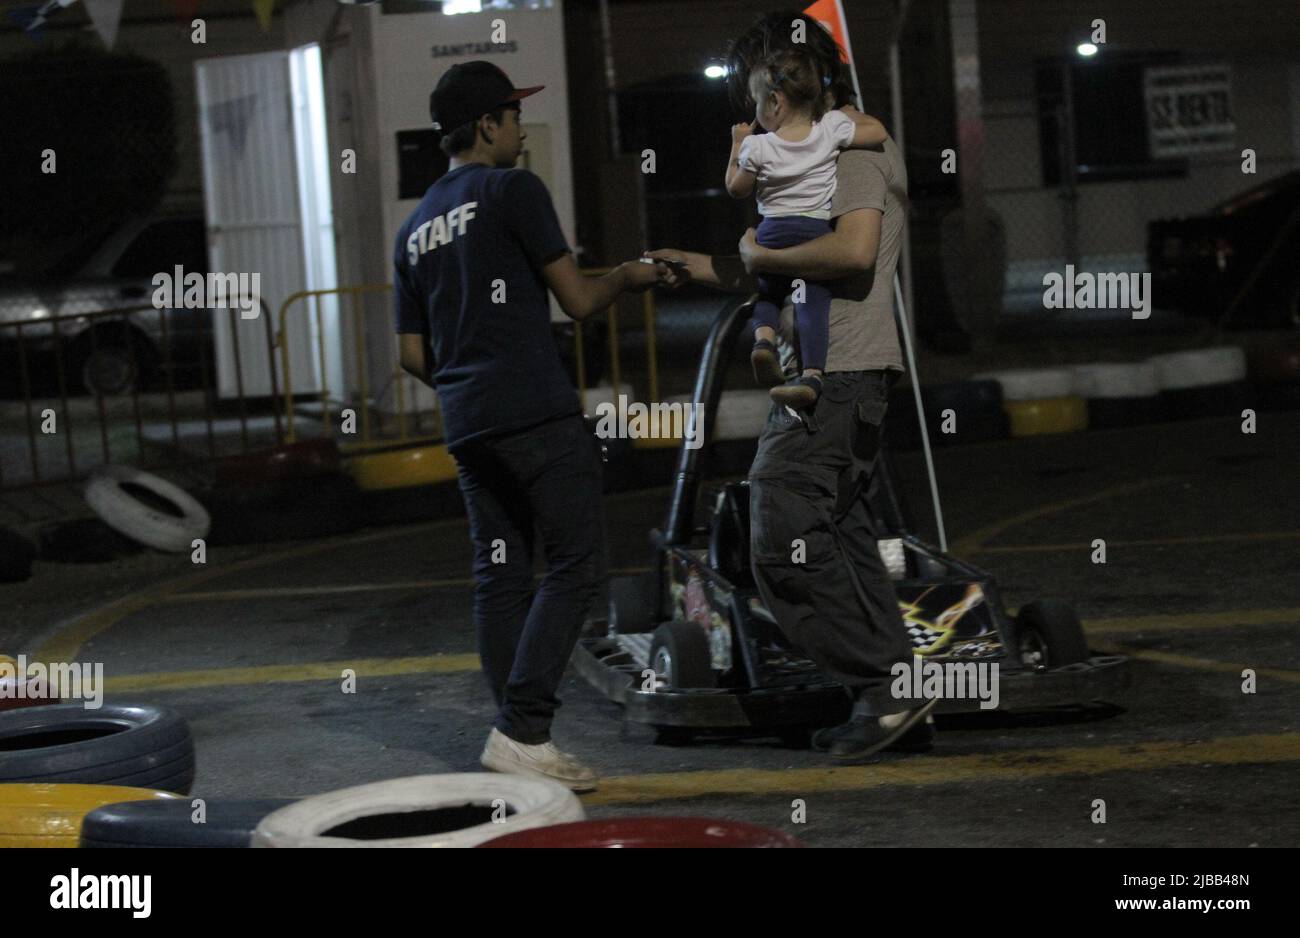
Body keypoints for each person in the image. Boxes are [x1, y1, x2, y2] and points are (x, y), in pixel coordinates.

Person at [648, 11, 934, 763]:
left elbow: (851, 250)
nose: (751, 115)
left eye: (761, 93)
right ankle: (889, 695)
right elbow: (782, 257)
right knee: (841, 536)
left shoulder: (853, 153)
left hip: (836, 372)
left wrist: (754, 251)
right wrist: (703, 266)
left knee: (778, 530)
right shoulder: (815, 155)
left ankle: (885, 683)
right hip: (843, 373)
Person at [394, 60, 667, 791]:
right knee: (578, 566)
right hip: (534, 412)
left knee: (502, 577)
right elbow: (577, 301)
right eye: (513, 115)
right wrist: (629, 277)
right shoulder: (514, 189)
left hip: (467, 423)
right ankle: (522, 729)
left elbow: (412, 352)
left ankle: (518, 738)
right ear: (487, 125)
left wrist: (466, 381)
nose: (519, 128)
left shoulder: (414, 228)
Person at [725, 47, 887, 409]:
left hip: (771, 231)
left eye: (756, 102)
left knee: (767, 292)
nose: (755, 111)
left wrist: (737, 145)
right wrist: (836, 121)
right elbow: (876, 132)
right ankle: (812, 376)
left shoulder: (757, 144)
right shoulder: (828, 129)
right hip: (813, 231)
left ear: (776, 102)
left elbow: (736, 188)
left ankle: (763, 340)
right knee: (813, 302)